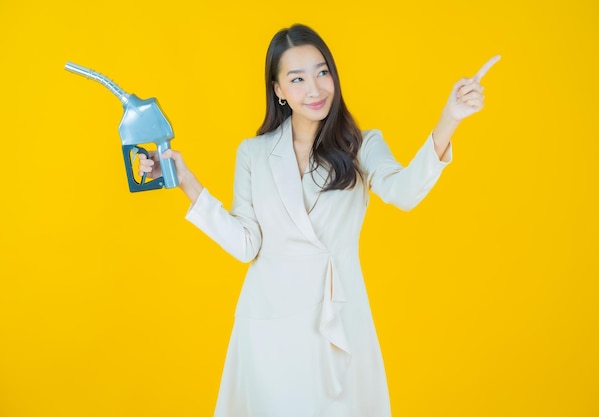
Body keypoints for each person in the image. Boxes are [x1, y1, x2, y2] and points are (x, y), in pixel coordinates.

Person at [139, 23, 499, 417]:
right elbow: (247, 244)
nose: (314, 88)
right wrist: (185, 180)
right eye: (297, 79)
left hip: (337, 323)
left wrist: (451, 117)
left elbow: (405, 192)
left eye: (322, 72)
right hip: (269, 326)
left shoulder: (361, 145)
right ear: (278, 90)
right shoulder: (254, 153)